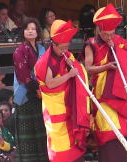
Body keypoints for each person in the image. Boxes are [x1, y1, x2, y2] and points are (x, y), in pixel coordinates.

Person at [83, 3, 127, 162]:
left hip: (119, 94)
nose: (109, 37)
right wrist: (106, 67)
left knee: (120, 132)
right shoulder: (91, 44)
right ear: (99, 31)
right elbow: (88, 69)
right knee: (107, 129)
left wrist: (116, 48)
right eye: (105, 34)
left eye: (112, 33)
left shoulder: (120, 41)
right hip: (102, 95)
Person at [35, 19, 90, 162]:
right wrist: (69, 74)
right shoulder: (46, 61)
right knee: (60, 144)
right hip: (55, 109)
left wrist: (71, 65)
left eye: (67, 47)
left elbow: (79, 70)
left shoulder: (66, 55)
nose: (65, 51)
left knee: (72, 139)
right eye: (62, 48)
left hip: (68, 106)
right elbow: (50, 84)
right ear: (54, 44)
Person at [13, 18, 48, 162]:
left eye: (33, 28)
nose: (30, 31)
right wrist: (37, 90)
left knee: (41, 132)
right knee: (28, 135)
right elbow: (24, 75)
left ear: (38, 32)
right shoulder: (19, 50)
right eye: (27, 28)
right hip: (26, 96)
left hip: (41, 94)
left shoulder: (41, 49)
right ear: (23, 32)